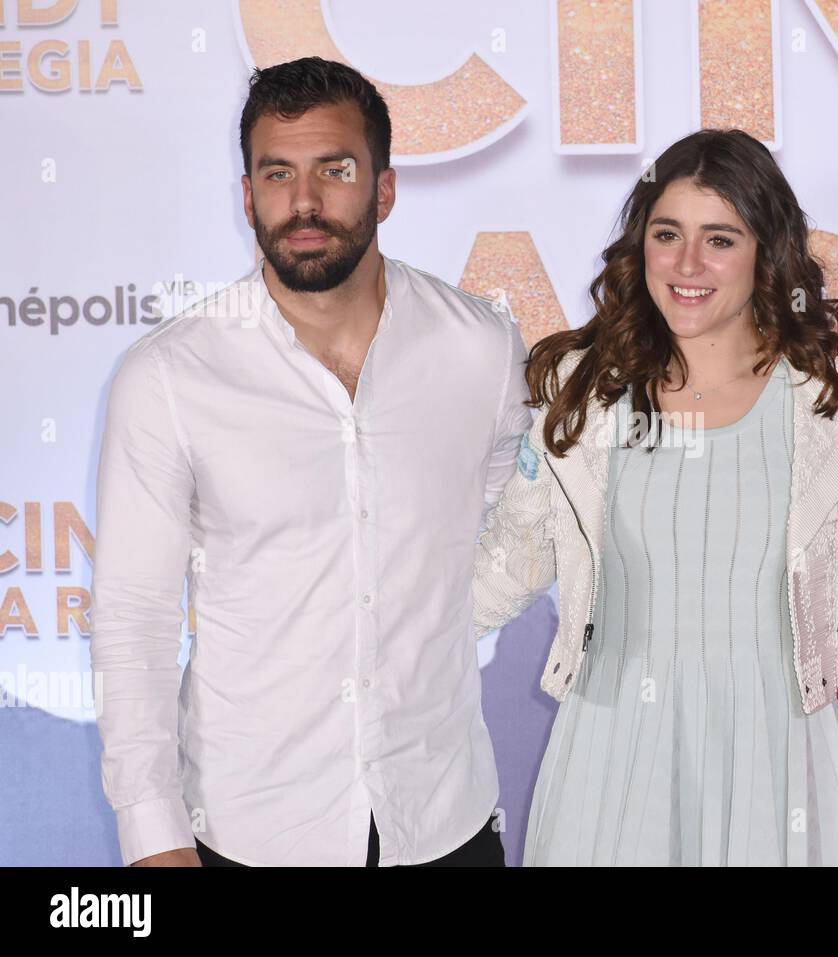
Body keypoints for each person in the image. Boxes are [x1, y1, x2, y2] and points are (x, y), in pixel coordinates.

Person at [90, 57, 527, 866]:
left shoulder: (483, 349)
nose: (305, 203)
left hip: (442, 817)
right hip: (248, 828)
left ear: (384, 190)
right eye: (278, 173)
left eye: (336, 170)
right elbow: (132, 618)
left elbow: (500, 533)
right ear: (247, 195)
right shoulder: (171, 376)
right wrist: (152, 836)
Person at [473, 128, 838, 866]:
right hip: (613, 753)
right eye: (668, 233)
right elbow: (506, 564)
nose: (688, 264)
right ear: (641, 246)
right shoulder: (584, 388)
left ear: (767, 251)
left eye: (720, 238)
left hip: (784, 751)